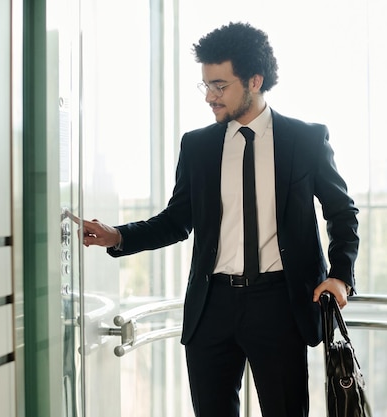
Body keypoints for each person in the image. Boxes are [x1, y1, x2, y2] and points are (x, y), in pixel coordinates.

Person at [80, 22, 359, 417]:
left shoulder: (305, 140)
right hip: (212, 305)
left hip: (279, 303)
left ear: (255, 81)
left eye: (220, 86)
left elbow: (342, 212)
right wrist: (117, 236)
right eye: (206, 86)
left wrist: (341, 274)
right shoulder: (198, 146)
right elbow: (177, 220)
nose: (210, 96)